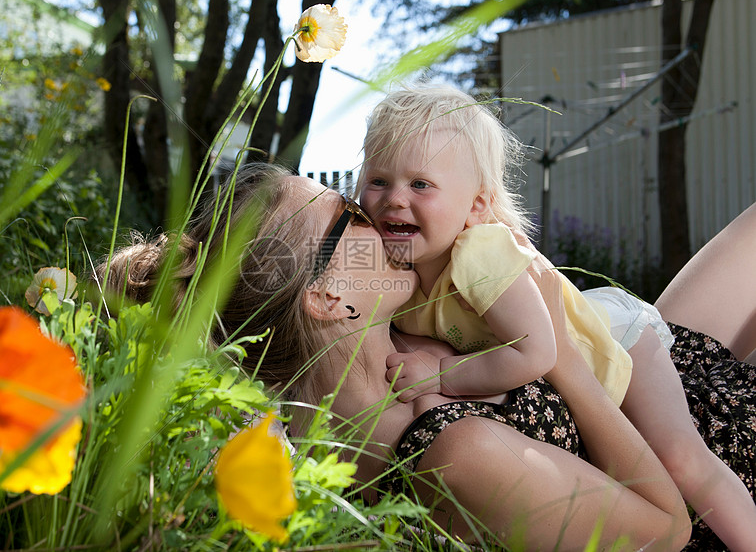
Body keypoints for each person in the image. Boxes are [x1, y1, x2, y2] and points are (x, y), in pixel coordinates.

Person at [98, 162, 755, 550]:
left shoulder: (382, 357)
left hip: (666, 382)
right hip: (718, 478)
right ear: (327, 296)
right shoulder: (454, 454)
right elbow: (666, 531)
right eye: (351, 212)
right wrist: (559, 360)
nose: (381, 216)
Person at [356, 84, 756, 550]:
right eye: (378, 181)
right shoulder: (400, 279)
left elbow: (538, 352)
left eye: (420, 184)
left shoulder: (480, 255)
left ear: (477, 206)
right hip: (579, 362)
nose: (394, 199)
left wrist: (443, 373)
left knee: (682, 458)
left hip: (620, 344)